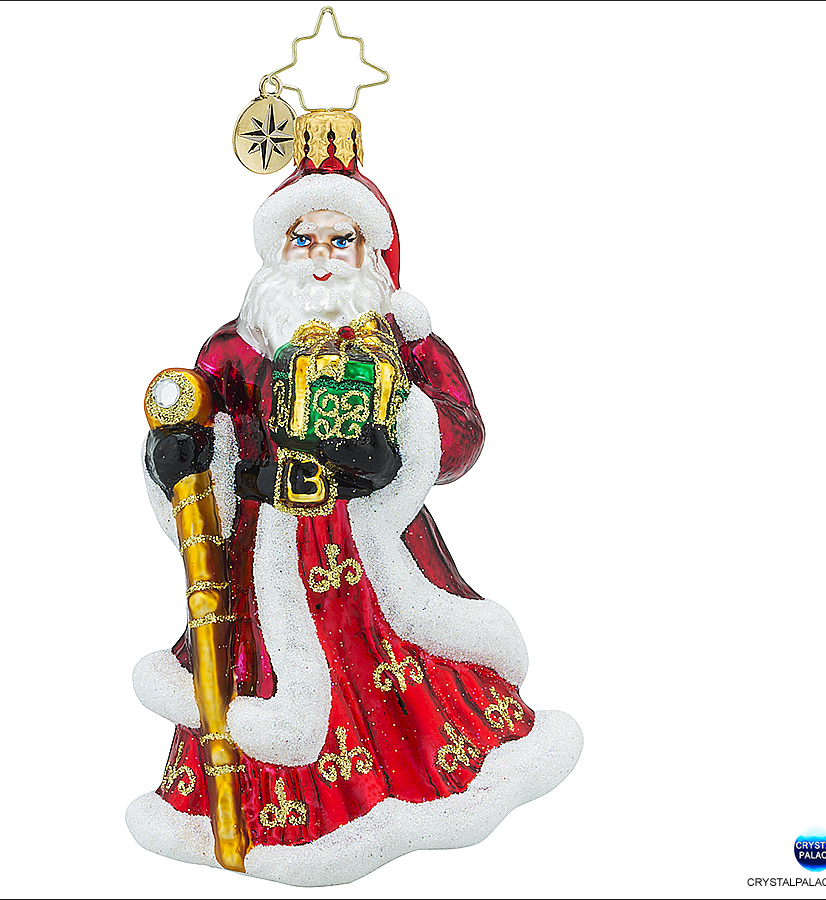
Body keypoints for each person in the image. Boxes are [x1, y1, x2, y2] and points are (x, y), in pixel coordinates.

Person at [127, 112, 583, 886]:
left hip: (371, 549)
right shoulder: (236, 348)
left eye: (341, 241)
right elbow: (200, 423)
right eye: (304, 240)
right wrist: (178, 459)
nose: (322, 259)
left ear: (369, 251)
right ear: (278, 250)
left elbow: (462, 431)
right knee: (263, 672)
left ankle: (417, 788)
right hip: (267, 547)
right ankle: (273, 817)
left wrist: (401, 444)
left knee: (398, 658)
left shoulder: (403, 343)